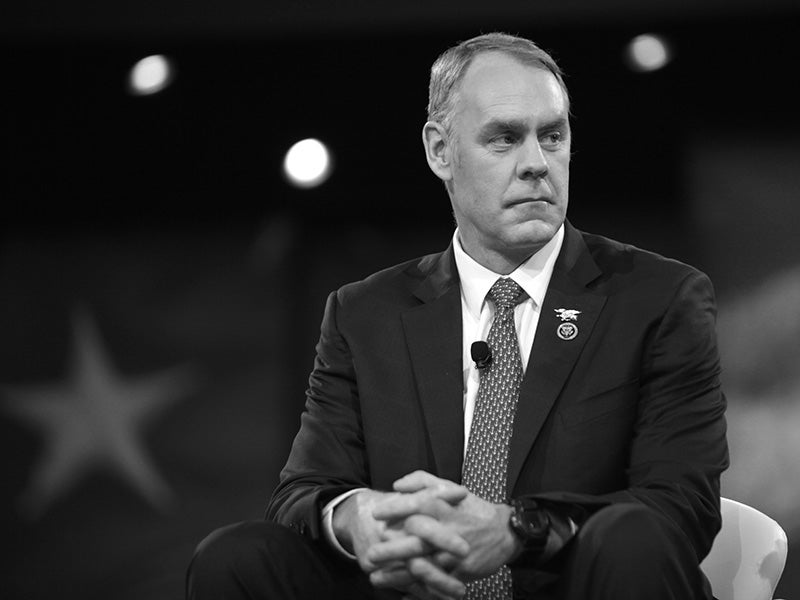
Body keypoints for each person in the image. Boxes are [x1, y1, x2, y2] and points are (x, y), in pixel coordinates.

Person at [187, 32, 728, 600]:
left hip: (573, 586)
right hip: (415, 588)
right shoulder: (363, 315)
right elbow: (302, 494)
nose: (538, 164)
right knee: (236, 558)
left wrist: (516, 529)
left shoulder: (658, 299)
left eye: (553, 135)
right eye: (504, 139)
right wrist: (354, 518)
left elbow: (679, 506)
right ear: (440, 151)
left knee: (634, 535)